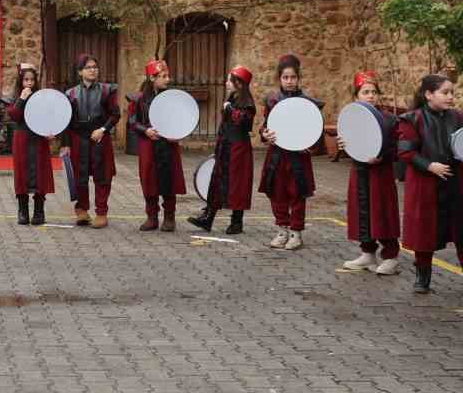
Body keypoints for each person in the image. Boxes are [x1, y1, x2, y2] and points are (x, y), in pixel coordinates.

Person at [397, 66, 463, 296]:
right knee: (424, 231)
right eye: (445, 92)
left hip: (453, 182)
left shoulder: (458, 117)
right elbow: (405, 152)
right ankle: (422, 276)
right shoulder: (412, 119)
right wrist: (429, 165)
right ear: (428, 94)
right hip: (424, 185)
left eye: (452, 92)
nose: (450, 97)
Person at [336, 71, 402, 274]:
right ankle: (368, 254)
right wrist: (343, 145)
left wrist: (383, 156)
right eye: (365, 92)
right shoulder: (351, 118)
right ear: (357, 96)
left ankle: (391, 256)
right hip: (359, 171)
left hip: (380, 175)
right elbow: (351, 144)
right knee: (361, 212)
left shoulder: (389, 120)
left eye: (374, 92)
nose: (371, 95)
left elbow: (398, 147)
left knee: (382, 211)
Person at [258, 54, 325, 251]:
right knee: (277, 192)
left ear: (298, 78)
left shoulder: (308, 103)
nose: (289, 81)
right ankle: (282, 230)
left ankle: (296, 232)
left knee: (297, 193)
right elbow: (264, 127)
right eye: (285, 77)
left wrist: (310, 143)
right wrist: (265, 134)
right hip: (277, 155)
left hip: (298, 156)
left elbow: (315, 130)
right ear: (279, 78)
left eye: (293, 77)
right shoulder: (272, 101)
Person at [189, 67, 256, 235]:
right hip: (226, 145)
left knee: (237, 185)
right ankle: (208, 218)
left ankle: (236, 223)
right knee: (217, 180)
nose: (226, 83)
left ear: (239, 84)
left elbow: (244, 122)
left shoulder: (247, 103)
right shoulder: (232, 98)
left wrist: (229, 109)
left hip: (238, 148)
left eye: (229, 80)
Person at [64, 53, 120, 228]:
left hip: (100, 138)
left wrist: (103, 129)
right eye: (88, 67)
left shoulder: (107, 90)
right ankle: (82, 210)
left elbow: (115, 114)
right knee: (80, 177)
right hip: (78, 138)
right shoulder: (70, 94)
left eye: (95, 67)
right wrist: (65, 144)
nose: (93, 70)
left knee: (102, 176)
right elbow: (66, 121)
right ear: (80, 71)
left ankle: (101, 213)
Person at [130, 59, 186, 232]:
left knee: (169, 178)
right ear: (152, 78)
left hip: (168, 144)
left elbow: (181, 119)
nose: (167, 79)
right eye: (163, 76)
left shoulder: (172, 98)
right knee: (149, 179)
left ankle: (170, 217)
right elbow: (132, 121)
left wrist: (177, 134)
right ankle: (151, 217)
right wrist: (145, 131)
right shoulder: (140, 99)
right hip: (148, 144)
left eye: (168, 75)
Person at [5, 62, 54, 226]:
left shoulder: (42, 97)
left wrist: (50, 130)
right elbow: (14, 115)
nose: (29, 83)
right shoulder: (17, 96)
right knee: (22, 173)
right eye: (26, 80)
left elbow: (49, 115)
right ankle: (23, 211)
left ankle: (39, 211)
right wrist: (22, 99)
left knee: (40, 173)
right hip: (22, 138)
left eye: (32, 80)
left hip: (39, 139)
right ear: (21, 81)